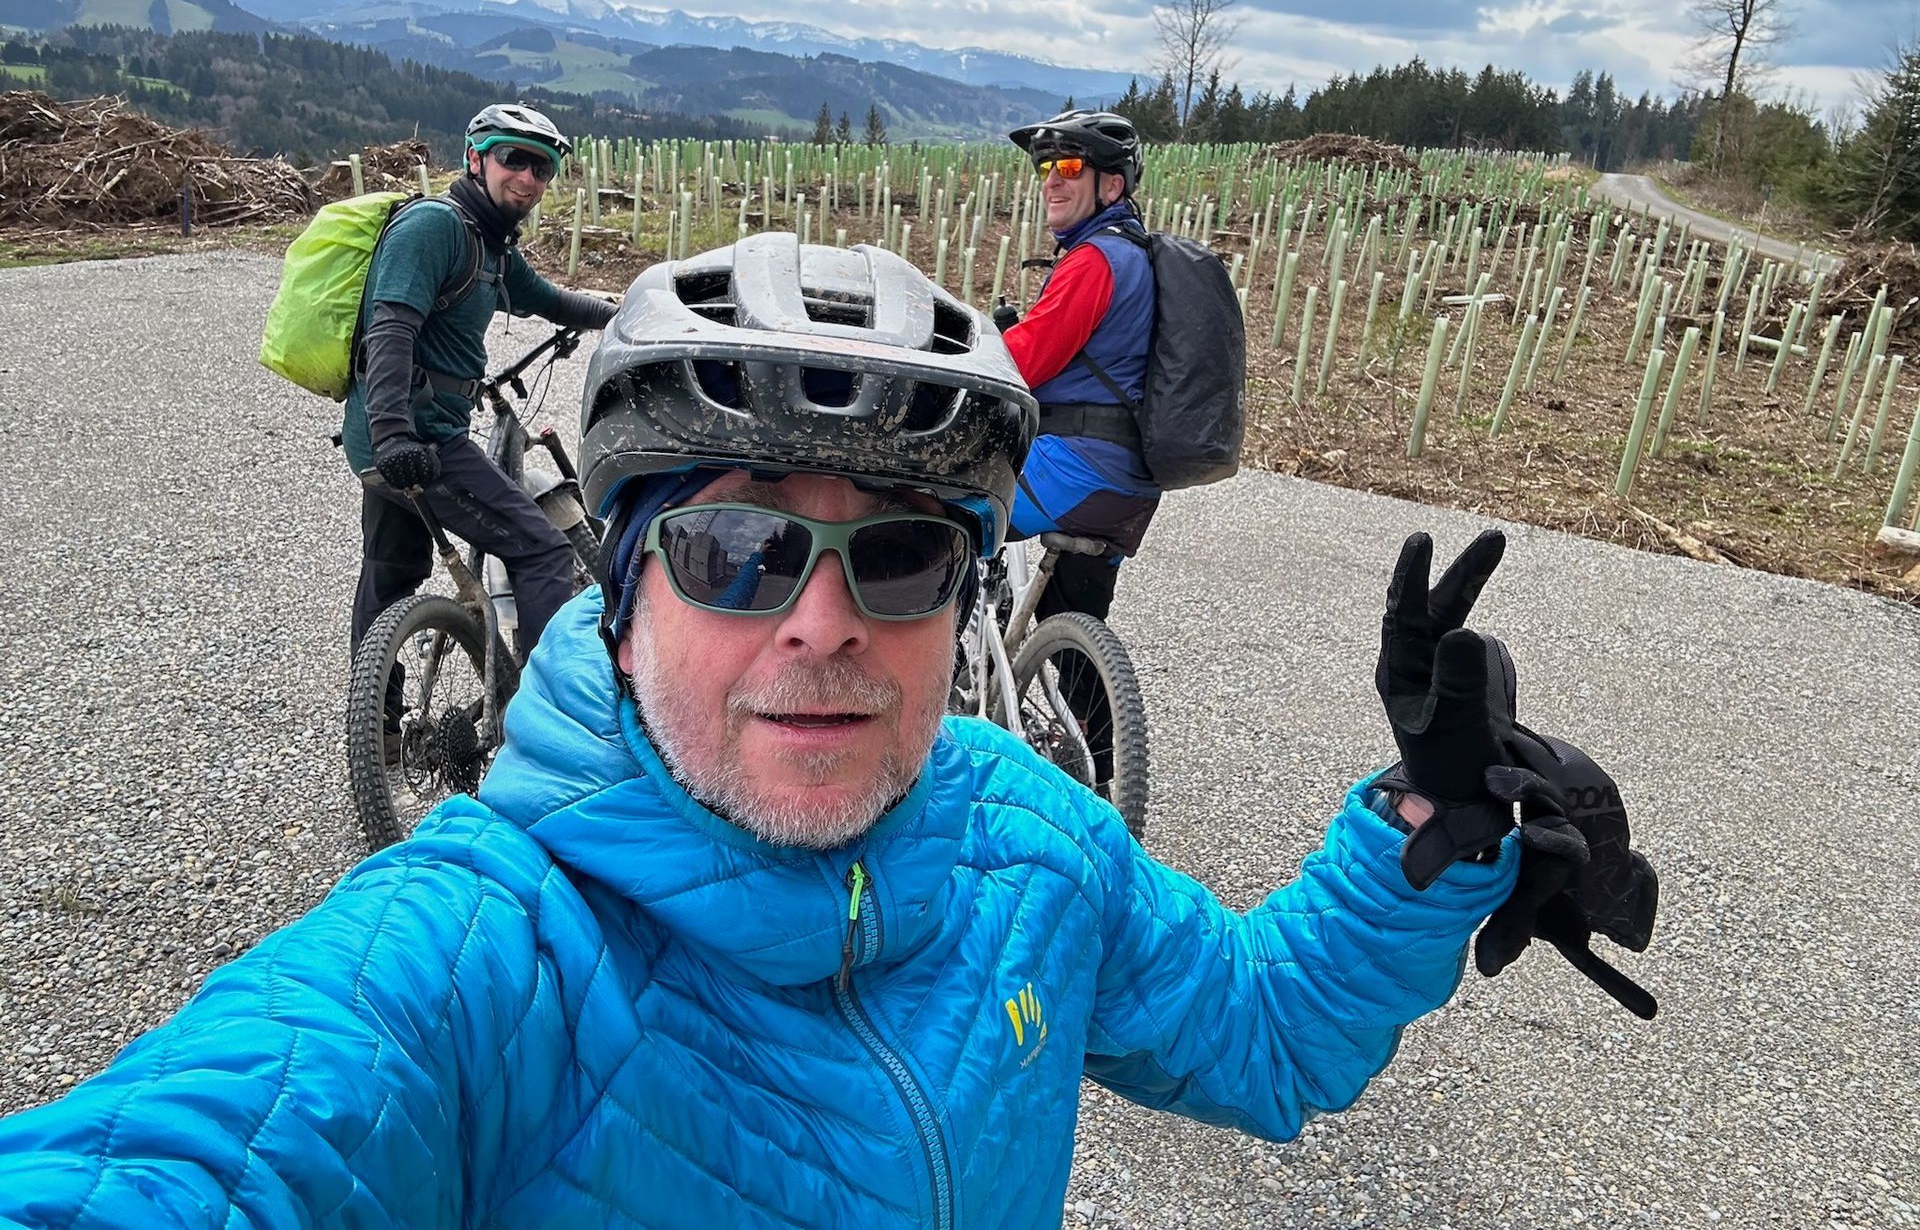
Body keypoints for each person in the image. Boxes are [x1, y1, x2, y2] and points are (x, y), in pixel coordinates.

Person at [0, 234, 1656, 1228]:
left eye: (903, 550)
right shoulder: (480, 955)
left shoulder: (1029, 835)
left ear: (964, 604)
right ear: (625, 589)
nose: (822, 619)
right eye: (737, 548)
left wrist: (1426, 838)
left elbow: (1263, 1034)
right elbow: (218, 1151)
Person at [346, 102, 617, 673]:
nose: (528, 177)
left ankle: (380, 731)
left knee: (390, 571)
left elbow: (550, 301)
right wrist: (395, 435)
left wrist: (625, 313)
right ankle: (544, 718)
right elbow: (389, 330)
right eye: (513, 159)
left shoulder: (489, 245)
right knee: (542, 549)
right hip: (415, 438)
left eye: (541, 168)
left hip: (385, 438)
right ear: (476, 159)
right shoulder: (435, 227)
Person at [998, 108, 1158, 624]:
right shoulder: (1140, 257)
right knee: (1078, 662)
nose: (1051, 182)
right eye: (1047, 170)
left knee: (936, 518)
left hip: (1074, 469)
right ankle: (1086, 703)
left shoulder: (1095, 260)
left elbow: (1021, 362)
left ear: (1112, 186)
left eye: (1069, 169)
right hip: (1130, 485)